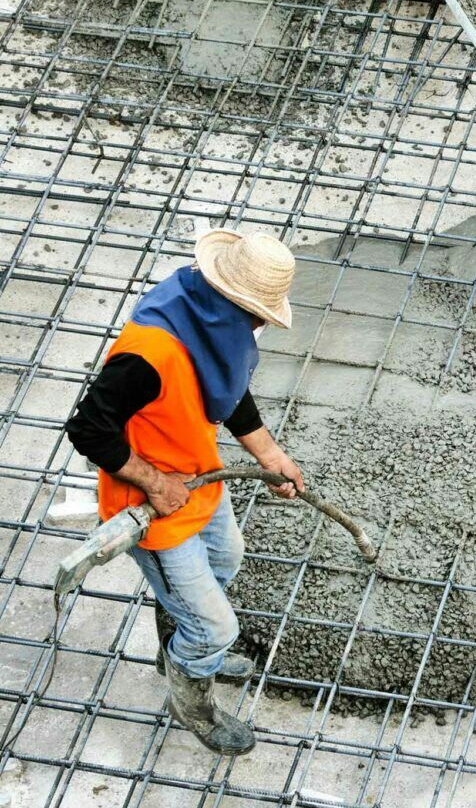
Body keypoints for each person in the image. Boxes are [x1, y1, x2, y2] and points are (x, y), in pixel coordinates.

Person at [66, 230, 304, 756]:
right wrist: (154, 481)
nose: (262, 323)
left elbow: (229, 390)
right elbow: (87, 429)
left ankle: (183, 649)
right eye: (258, 313)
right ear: (232, 299)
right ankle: (193, 701)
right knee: (215, 626)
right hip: (150, 504)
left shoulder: (209, 323)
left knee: (226, 558)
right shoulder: (149, 353)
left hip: (197, 478)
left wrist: (270, 456)